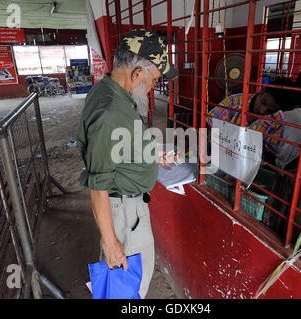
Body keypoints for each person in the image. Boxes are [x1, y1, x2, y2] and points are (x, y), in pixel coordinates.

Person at [76, 29, 177, 298]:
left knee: (125, 283)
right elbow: (97, 183)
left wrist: (150, 154)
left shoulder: (111, 91)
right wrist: (111, 243)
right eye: (154, 80)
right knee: (127, 286)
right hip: (124, 213)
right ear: (136, 74)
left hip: (126, 207)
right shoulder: (110, 110)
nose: (154, 87)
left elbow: (117, 146)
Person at [208, 72, 301, 170]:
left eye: (270, 110)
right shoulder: (234, 102)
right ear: (262, 90)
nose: (262, 111)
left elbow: (268, 154)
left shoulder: (277, 119)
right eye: (263, 102)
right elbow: (208, 123)